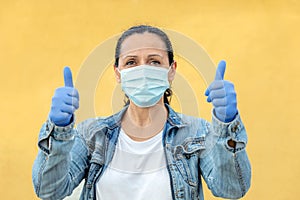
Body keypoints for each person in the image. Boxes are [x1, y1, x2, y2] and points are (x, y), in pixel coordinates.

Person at [32, 25, 251, 200]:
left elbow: (232, 190)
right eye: (131, 62)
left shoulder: (198, 133)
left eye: (154, 61)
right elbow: (49, 191)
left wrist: (226, 126)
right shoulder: (91, 134)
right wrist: (59, 130)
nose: (143, 70)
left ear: (171, 70)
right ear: (118, 73)